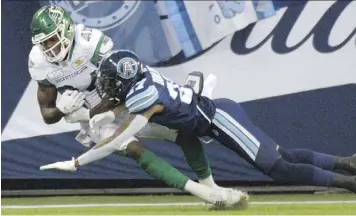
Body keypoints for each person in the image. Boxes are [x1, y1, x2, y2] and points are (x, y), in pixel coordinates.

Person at [29, 5, 247, 207]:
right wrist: (62, 109)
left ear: (66, 29)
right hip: (93, 117)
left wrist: (85, 112)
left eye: (52, 39)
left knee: (183, 133)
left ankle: (212, 187)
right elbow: (47, 115)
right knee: (134, 149)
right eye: (43, 43)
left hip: (120, 100)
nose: (48, 48)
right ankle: (206, 194)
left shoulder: (90, 42)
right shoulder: (39, 63)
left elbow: (121, 83)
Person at [88, 50, 356, 193]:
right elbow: (118, 103)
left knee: (278, 169)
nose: (107, 88)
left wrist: (96, 114)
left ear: (127, 79)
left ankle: (349, 183)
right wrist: (98, 109)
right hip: (218, 118)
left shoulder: (142, 96)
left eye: (111, 83)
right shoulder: (143, 81)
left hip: (220, 119)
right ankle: (348, 164)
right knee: (283, 157)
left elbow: (121, 112)